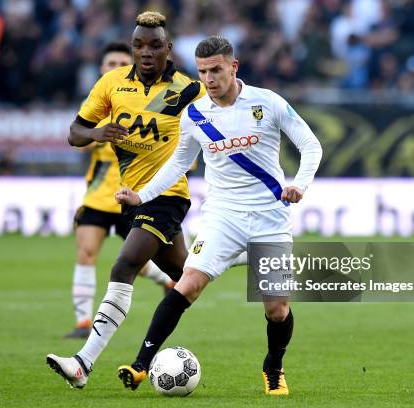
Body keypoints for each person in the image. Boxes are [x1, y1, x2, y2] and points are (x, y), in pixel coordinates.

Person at [116, 36, 322, 396]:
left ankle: (274, 366)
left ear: (233, 67)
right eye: (202, 72)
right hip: (222, 216)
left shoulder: (267, 102)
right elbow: (178, 163)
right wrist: (142, 195)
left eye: (215, 70)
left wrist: (300, 185)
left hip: (270, 217)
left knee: (277, 309)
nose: (209, 79)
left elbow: (310, 145)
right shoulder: (194, 114)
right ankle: (139, 366)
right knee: (189, 282)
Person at [46, 11, 205, 388]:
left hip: (167, 196)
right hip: (132, 199)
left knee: (124, 265)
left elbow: (223, 121)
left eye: (154, 45)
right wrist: (99, 131)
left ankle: (83, 363)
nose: (145, 52)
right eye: (138, 45)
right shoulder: (112, 83)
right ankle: (252, 259)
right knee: (188, 275)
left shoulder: (188, 90)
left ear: (168, 48)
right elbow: (74, 132)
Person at [65, 41, 175, 339]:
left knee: (134, 263)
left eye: (120, 64)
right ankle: (82, 323)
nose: (115, 68)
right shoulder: (98, 106)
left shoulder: (156, 105)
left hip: (136, 198)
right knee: (86, 252)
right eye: (109, 64)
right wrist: (95, 133)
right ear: (102, 69)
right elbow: (75, 142)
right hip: (99, 198)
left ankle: (165, 280)